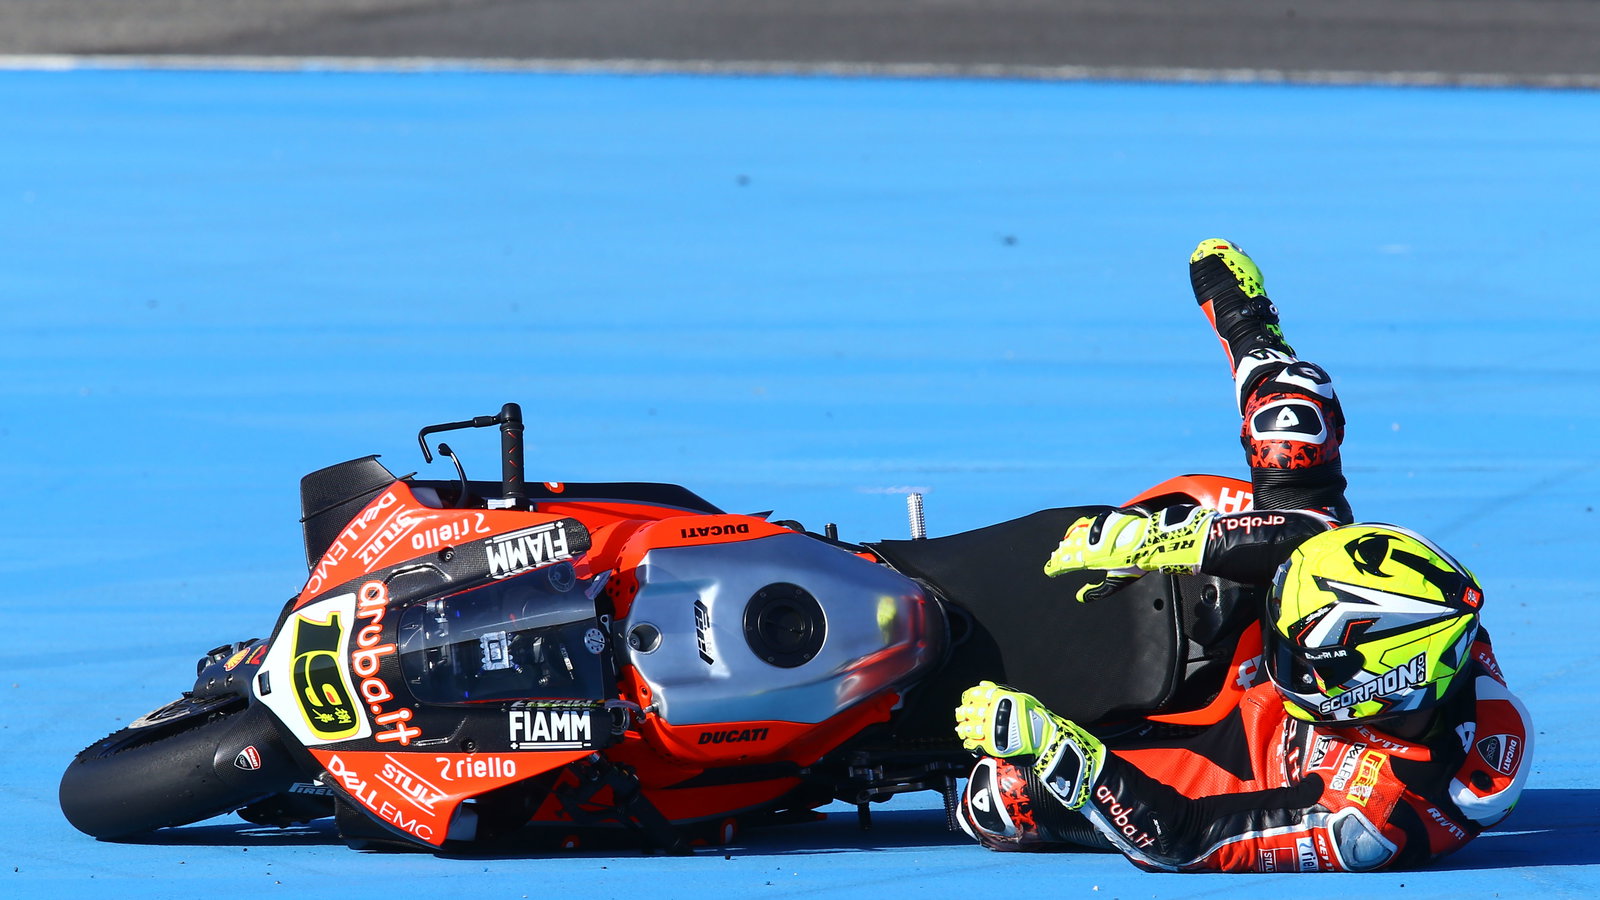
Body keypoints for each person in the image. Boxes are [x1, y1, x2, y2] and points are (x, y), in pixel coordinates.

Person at [949, 239, 1531, 872]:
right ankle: (1252, 330)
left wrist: (1060, 750)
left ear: (1377, 688)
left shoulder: (1369, 819)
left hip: (1225, 762)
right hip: (1277, 686)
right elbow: (1314, 542)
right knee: (1295, 422)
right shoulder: (1437, 624)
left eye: (1299, 649)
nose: (1283, 647)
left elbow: (1185, 837)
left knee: (999, 801)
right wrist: (1170, 540)